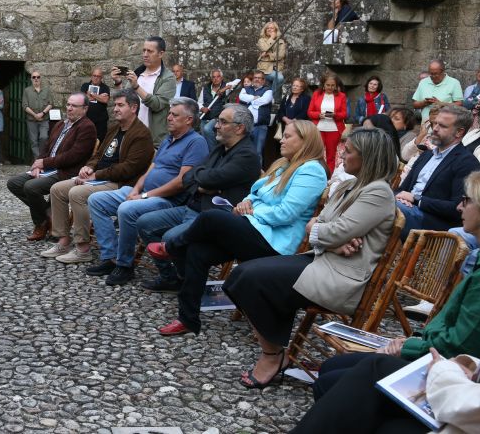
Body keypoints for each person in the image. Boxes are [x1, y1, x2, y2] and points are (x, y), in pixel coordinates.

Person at [290, 170, 480, 434]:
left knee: (358, 372)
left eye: (467, 200)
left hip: (453, 369)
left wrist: (411, 346)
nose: (460, 205)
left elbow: (459, 344)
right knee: (334, 368)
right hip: (440, 355)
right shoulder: (479, 261)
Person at [224, 128, 397, 388]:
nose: (341, 157)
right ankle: (275, 352)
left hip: (341, 276)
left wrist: (325, 233)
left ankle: (272, 356)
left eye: (348, 152)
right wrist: (330, 238)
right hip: (322, 260)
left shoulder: (378, 192)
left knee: (251, 279)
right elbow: (324, 224)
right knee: (242, 275)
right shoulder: (351, 185)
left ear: (367, 157)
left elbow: (335, 230)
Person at [151, 120, 327, 336]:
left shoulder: (312, 170)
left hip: (273, 241)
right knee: (197, 252)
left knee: (211, 218)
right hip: (252, 229)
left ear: (306, 142)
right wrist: (246, 203)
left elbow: (286, 213)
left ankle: (171, 247)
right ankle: (188, 319)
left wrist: (251, 211)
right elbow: (255, 194)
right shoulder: (283, 164)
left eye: (288, 136)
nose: (281, 139)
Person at [137, 104, 261, 293]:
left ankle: (190, 284)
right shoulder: (221, 149)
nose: (216, 126)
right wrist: (203, 184)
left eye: (222, 122)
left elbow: (207, 177)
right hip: (193, 206)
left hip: (212, 215)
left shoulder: (247, 155)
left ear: (239, 128)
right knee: (145, 223)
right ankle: (173, 278)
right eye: (218, 121)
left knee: (171, 237)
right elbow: (191, 177)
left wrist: (203, 179)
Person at [86, 97, 209, 286]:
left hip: (169, 199)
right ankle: (109, 257)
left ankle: (124, 265)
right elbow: (150, 170)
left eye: (175, 115)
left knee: (127, 209)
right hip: (144, 192)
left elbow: (181, 183)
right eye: (169, 113)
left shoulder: (196, 143)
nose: (168, 117)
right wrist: (135, 189)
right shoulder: (169, 139)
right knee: (97, 200)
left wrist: (142, 196)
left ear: (189, 120)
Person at [41, 90, 154, 263]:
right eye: (115, 105)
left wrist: (95, 175)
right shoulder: (114, 128)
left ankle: (82, 248)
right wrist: (89, 166)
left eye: (120, 105)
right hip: (99, 177)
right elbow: (99, 154)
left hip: (119, 183)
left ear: (133, 108)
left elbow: (128, 169)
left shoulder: (141, 134)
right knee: (57, 189)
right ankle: (63, 241)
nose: (115, 109)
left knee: (77, 193)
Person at [6, 93, 97, 242]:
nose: (69, 108)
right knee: (14, 183)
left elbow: (74, 156)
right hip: (49, 167)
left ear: (85, 109)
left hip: (66, 172)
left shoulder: (87, 127)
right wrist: (38, 164)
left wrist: (45, 163)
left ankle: (41, 224)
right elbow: (47, 146)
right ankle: (49, 215)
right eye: (68, 104)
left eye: (74, 106)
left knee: (31, 187)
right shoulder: (62, 123)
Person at [395, 105, 480, 241]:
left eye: (442, 126)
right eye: (435, 123)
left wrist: (416, 199)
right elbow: (401, 190)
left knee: (389, 208)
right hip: (404, 209)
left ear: (459, 132)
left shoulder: (467, 163)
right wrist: (400, 197)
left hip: (431, 223)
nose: (434, 128)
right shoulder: (426, 156)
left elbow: (457, 208)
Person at [111, 36, 177, 146]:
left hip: (152, 139)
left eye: (150, 51)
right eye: (144, 50)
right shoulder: (137, 73)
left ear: (161, 54)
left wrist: (136, 86)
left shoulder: (168, 78)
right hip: (130, 134)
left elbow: (157, 104)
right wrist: (118, 83)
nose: (145, 54)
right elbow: (125, 101)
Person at [308, 71, 348, 174]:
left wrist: (335, 115)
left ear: (336, 85)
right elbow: (309, 112)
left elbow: (344, 114)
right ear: (323, 85)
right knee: (316, 154)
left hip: (334, 129)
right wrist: (318, 115)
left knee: (331, 155)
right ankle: (316, 174)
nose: (330, 87)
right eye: (328, 85)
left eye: (333, 85)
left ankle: (328, 177)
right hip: (318, 129)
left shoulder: (341, 96)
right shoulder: (317, 94)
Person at [239, 70, 273, 161]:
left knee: (257, 152)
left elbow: (265, 100)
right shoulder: (245, 89)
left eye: (259, 78)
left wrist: (250, 101)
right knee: (244, 151)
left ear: (263, 80)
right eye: (255, 78)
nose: (257, 80)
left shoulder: (268, 91)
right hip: (246, 126)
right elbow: (241, 97)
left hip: (260, 126)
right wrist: (254, 98)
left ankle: (258, 174)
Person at [22, 70, 54, 157]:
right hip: (31, 120)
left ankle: (41, 157)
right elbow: (25, 106)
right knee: (33, 141)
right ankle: (37, 160)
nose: (36, 79)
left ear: (40, 78)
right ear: (31, 79)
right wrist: (35, 115)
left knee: (44, 137)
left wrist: (42, 113)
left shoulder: (46, 90)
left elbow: (50, 104)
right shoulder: (27, 91)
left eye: (38, 77)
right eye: (34, 77)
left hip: (44, 120)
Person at [198, 68, 230, 149]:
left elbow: (236, 83)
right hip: (205, 116)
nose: (216, 79)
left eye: (218, 76)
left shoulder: (226, 87)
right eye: (213, 77)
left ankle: (213, 152)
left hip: (217, 117)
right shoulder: (205, 88)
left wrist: (224, 89)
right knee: (203, 137)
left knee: (207, 129)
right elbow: (199, 102)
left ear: (221, 78)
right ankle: (208, 156)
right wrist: (202, 108)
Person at [256, 20, 287, 100]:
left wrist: (268, 55)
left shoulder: (281, 42)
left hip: (277, 68)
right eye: (268, 28)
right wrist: (272, 38)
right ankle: (271, 98)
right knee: (279, 78)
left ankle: (275, 102)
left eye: (272, 28)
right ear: (265, 30)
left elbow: (281, 55)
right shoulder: (261, 40)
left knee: (273, 85)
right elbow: (265, 48)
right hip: (265, 69)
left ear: (276, 30)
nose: (270, 30)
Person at [81, 68, 111, 142]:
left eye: (98, 76)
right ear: (91, 76)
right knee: (86, 140)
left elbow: (105, 100)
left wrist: (91, 94)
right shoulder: (85, 86)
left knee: (100, 141)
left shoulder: (105, 87)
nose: (96, 78)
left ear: (101, 78)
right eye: (94, 75)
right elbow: (83, 99)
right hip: (87, 119)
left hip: (101, 121)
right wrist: (99, 96)